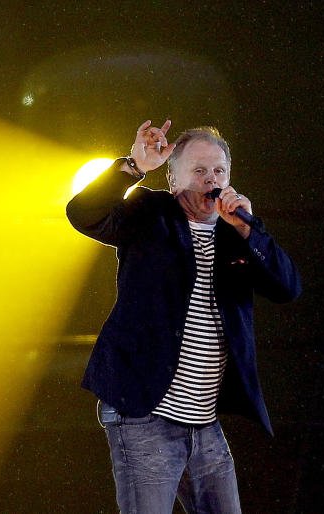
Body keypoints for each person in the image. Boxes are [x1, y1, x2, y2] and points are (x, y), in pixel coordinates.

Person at [66, 119, 302, 513]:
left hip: (203, 420)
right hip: (146, 412)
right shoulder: (150, 212)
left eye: (219, 171)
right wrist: (133, 167)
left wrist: (250, 232)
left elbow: (287, 287)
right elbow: (84, 213)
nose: (211, 179)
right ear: (174, 180)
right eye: (199, 170)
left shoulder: (236, 234)